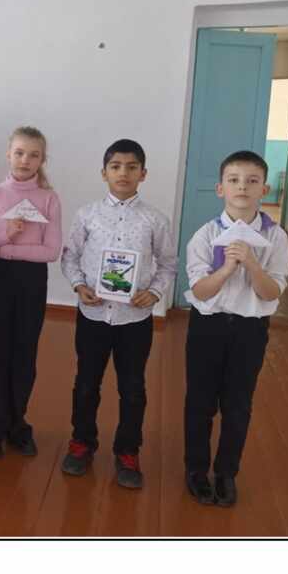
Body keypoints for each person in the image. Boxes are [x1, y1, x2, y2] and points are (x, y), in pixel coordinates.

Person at [59, 139, 177, 489]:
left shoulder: (155, 219)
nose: (123, 173)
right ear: (104, 173)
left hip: (134, 320)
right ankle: (82, 442)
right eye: (115, 166)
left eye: (131, 167)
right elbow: (69, 256)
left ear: (143, 173)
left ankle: (128, 451)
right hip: (93, 315)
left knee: (133, 387)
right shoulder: (87, 215)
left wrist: (154, 292)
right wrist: (79, 285)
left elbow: (168, 263)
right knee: (86, 383)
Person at [183, 149, 288, 507]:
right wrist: (228, 269)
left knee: (238, 404)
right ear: (220, 189)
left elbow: (272, 291)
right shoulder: (204, 235)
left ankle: (226, 472)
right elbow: (201, 291)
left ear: (265, 189)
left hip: (250, 329)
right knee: (200, 402)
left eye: (252, 180)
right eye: (233, 180)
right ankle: (196, 470)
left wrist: (253, 265)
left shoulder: (276, 238)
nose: (242, 186)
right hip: (207, 327)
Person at [0, 126, 62, 458]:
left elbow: (51, 251)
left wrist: (5, 249)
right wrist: (2, 237)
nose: (25, 160)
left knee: (24, 353)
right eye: (20, 153)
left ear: (42, 159)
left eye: (34, 155)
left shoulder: (49, 198)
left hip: (32, 281)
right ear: (9, 154)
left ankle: (16, 426)